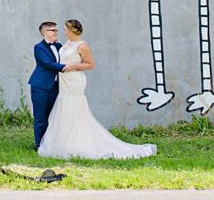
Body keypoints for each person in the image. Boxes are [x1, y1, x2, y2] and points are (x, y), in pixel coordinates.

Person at [37, 19, 157, 160]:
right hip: (64, 82)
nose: (63, 32)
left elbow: (90, 64)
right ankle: (61, 141)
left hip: (75, 80)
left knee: (74, 106)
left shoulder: (83, 46)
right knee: (64, 106)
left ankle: (77, 142)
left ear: (72, 30)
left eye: (65, 29)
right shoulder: (66, 44)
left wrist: (71, 66)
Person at [27, 21, 80, 150]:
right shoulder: (39, 47)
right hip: (40, 86)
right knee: (40, 116)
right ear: (45, 32)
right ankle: (39, 145)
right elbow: (48, 63)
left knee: (54, 116)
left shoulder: (59, 46)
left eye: (57, 30)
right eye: (53, 30)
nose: (56, 32)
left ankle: (51, 143)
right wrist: (67, 67)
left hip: (55, 86)